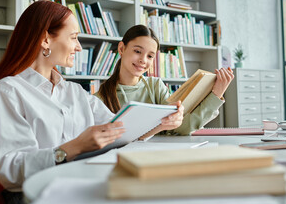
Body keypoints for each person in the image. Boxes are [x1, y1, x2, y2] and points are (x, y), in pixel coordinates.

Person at [0, 1, 183, 204]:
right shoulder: (7, 92)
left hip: (81, 187)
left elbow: (122, 129)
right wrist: (74, 147)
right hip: (35, 197)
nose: (79, 46)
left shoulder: (75, 92)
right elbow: (11, 171)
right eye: (74, 37)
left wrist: (161, 123)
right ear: (45, 39)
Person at [96, 24, 234, 135]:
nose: (143, 60)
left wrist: (216, 94)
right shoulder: (100, 98)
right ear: (121, 48)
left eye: (150, 56)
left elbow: (180, 128)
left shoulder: (155, 86)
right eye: (137, 51)